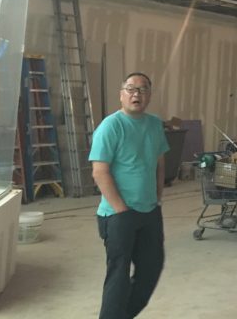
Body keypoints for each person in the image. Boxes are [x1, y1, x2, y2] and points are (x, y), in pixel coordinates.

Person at [89, 72, 169, 319]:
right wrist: (122, 210)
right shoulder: (111, 126)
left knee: (151, 269)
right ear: (121, 95)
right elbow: (99, 172)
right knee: (119, 276)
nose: (137, 94)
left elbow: (160, 163)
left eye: (143, 89)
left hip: (150, 211)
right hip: (118, 214)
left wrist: (157, 196)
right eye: (131, 89)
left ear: (149, 95)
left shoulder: (154, 124)